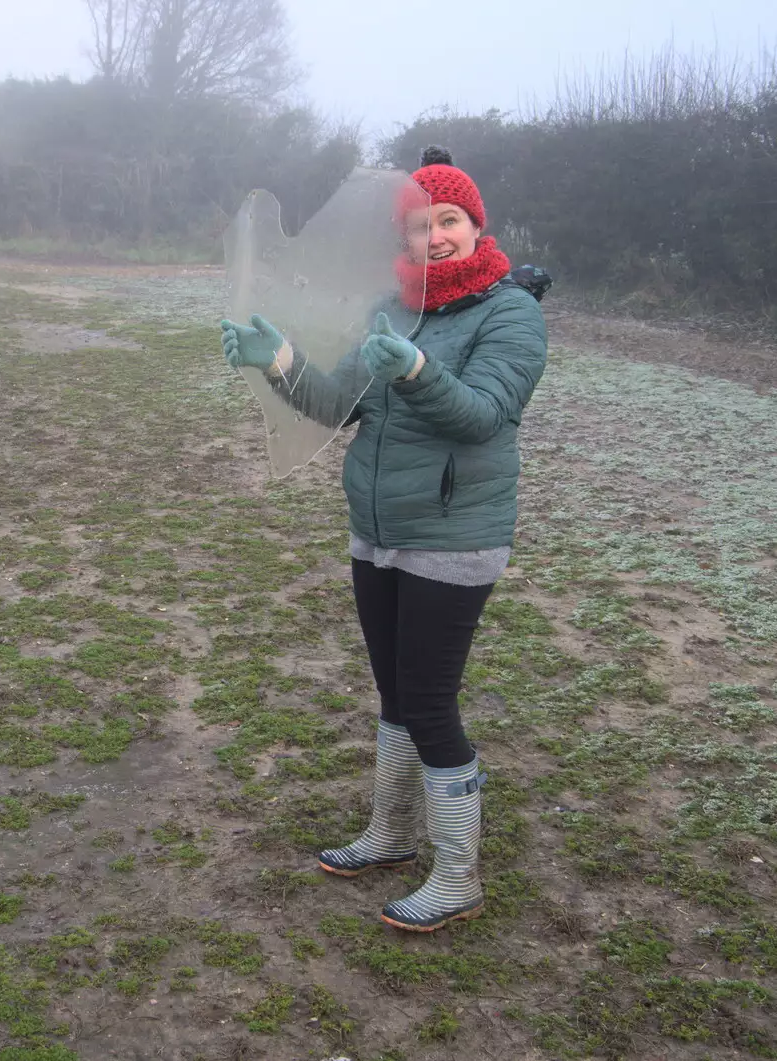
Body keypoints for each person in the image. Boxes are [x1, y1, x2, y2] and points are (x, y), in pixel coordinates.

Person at [219, 148, 548, 931]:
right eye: (417, 227)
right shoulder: (393, 309)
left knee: (431, 704)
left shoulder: (511, 314)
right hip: (378, 533)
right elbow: (336, 402)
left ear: (475, 225)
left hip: (453, 537)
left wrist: (417, 371)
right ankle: (392, 835)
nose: (433, 238)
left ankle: (459, 874)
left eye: (448, 221)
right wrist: (282, 360)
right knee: (396, 696)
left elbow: (481, 415)